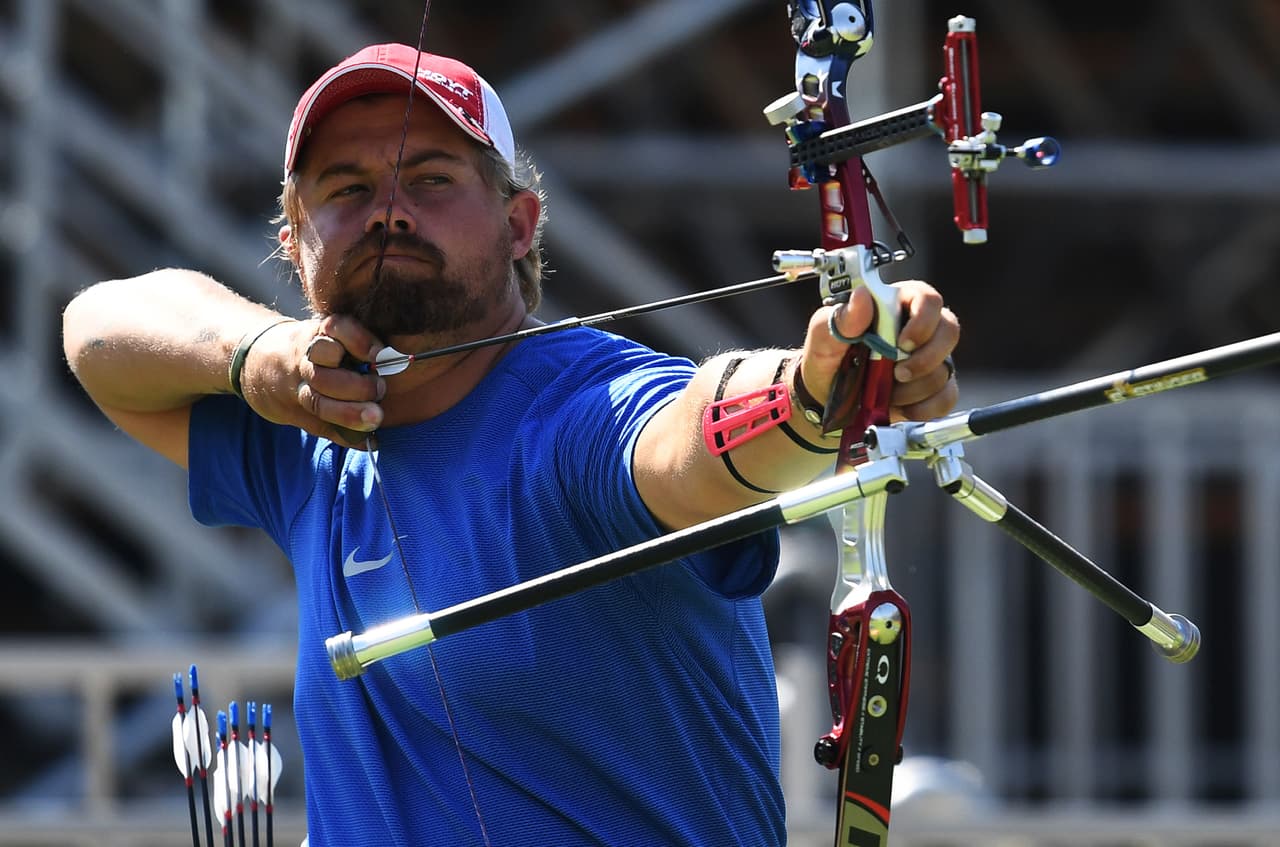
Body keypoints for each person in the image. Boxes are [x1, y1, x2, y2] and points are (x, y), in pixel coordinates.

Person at [63, 43, 959, 847]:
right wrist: (258, 357)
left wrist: (812, 395)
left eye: (433, 179)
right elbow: (95, 331)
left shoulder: (575, 411)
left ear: (521, 224)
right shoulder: (310, 437)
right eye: (346, 189)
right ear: (295, 246)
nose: (388, 213)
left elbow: (683, 444)